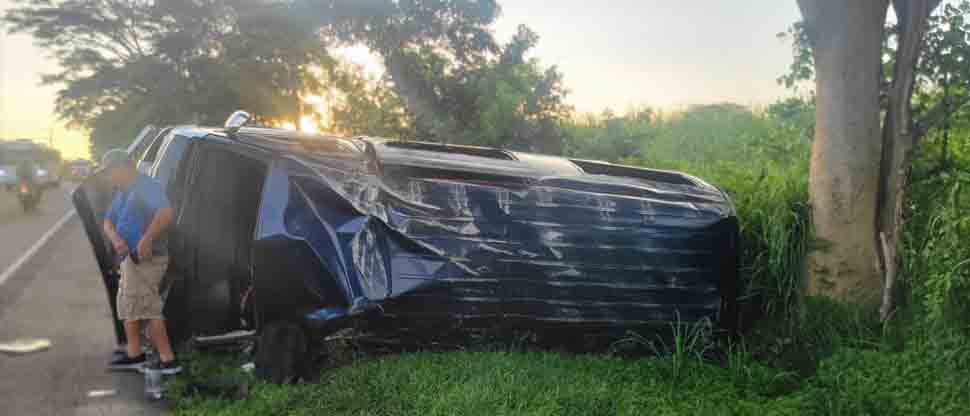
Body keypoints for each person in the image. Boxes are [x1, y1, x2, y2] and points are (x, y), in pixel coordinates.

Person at [101, 149, 181, 374]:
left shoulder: (146, 186)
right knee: (128, 304)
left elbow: (165, 212)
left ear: (123, 168)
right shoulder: (124, 192)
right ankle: (134, 354)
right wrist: (116, 239)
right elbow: (107, 220)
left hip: (148, 257)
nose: (109, 177)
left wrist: (147, 239)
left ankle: (168, 361)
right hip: (129, 258)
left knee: (146, 306)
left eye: (110, 171)